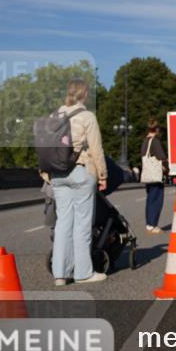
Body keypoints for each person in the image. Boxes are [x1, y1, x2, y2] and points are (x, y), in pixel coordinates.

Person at [50, 79, 108, 286]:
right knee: (82, 225)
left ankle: (60, 274)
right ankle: (83, 273)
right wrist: (102, 175)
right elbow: (96, 149)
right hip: (80, 170)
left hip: (57, 174)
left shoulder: (54, 116)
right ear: (85, 95)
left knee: (63, 224)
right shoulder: (86, 116)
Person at [141, 119, 168, 233]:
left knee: (150, 199)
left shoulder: (145, 141)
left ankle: (149, 224)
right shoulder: (155, 141)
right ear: (157, 129)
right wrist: (167, 167)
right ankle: (153, 224)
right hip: (156, 175)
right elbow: (161, 157)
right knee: (157, 199)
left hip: (148, 174)